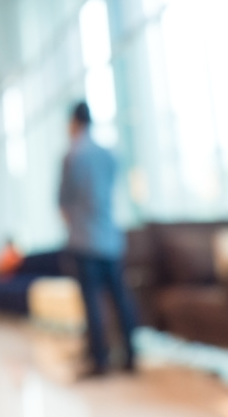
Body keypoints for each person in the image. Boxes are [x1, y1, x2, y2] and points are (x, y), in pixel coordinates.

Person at [57, 101, 139, 379]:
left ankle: (100, 360)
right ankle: (130, 355)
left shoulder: (72, 155)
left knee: (92, 302)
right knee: (120, 298)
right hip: (110, 239)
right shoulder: (109, 154)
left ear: (74, 122)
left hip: (85, 240)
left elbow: (63, 202)